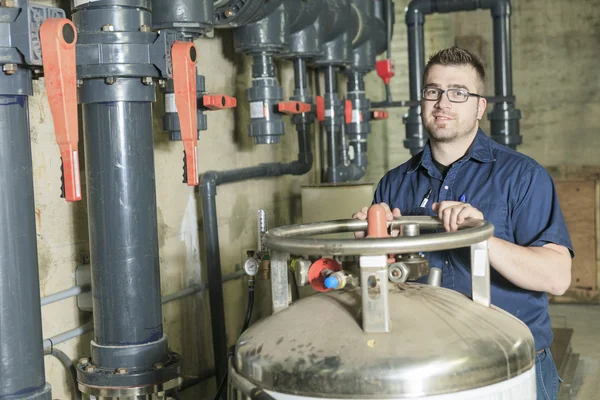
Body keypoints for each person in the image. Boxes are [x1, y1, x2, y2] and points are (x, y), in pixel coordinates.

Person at [353, 46, 573, 400]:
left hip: (511, 368)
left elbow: (557, 277)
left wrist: (482, 239)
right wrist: (370, 242)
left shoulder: (522, 177)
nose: (443, 103)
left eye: (458, 93)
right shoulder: (394, 184)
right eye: (433, 91)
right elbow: (376, 286)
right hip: (423, 369)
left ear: (479, 107)